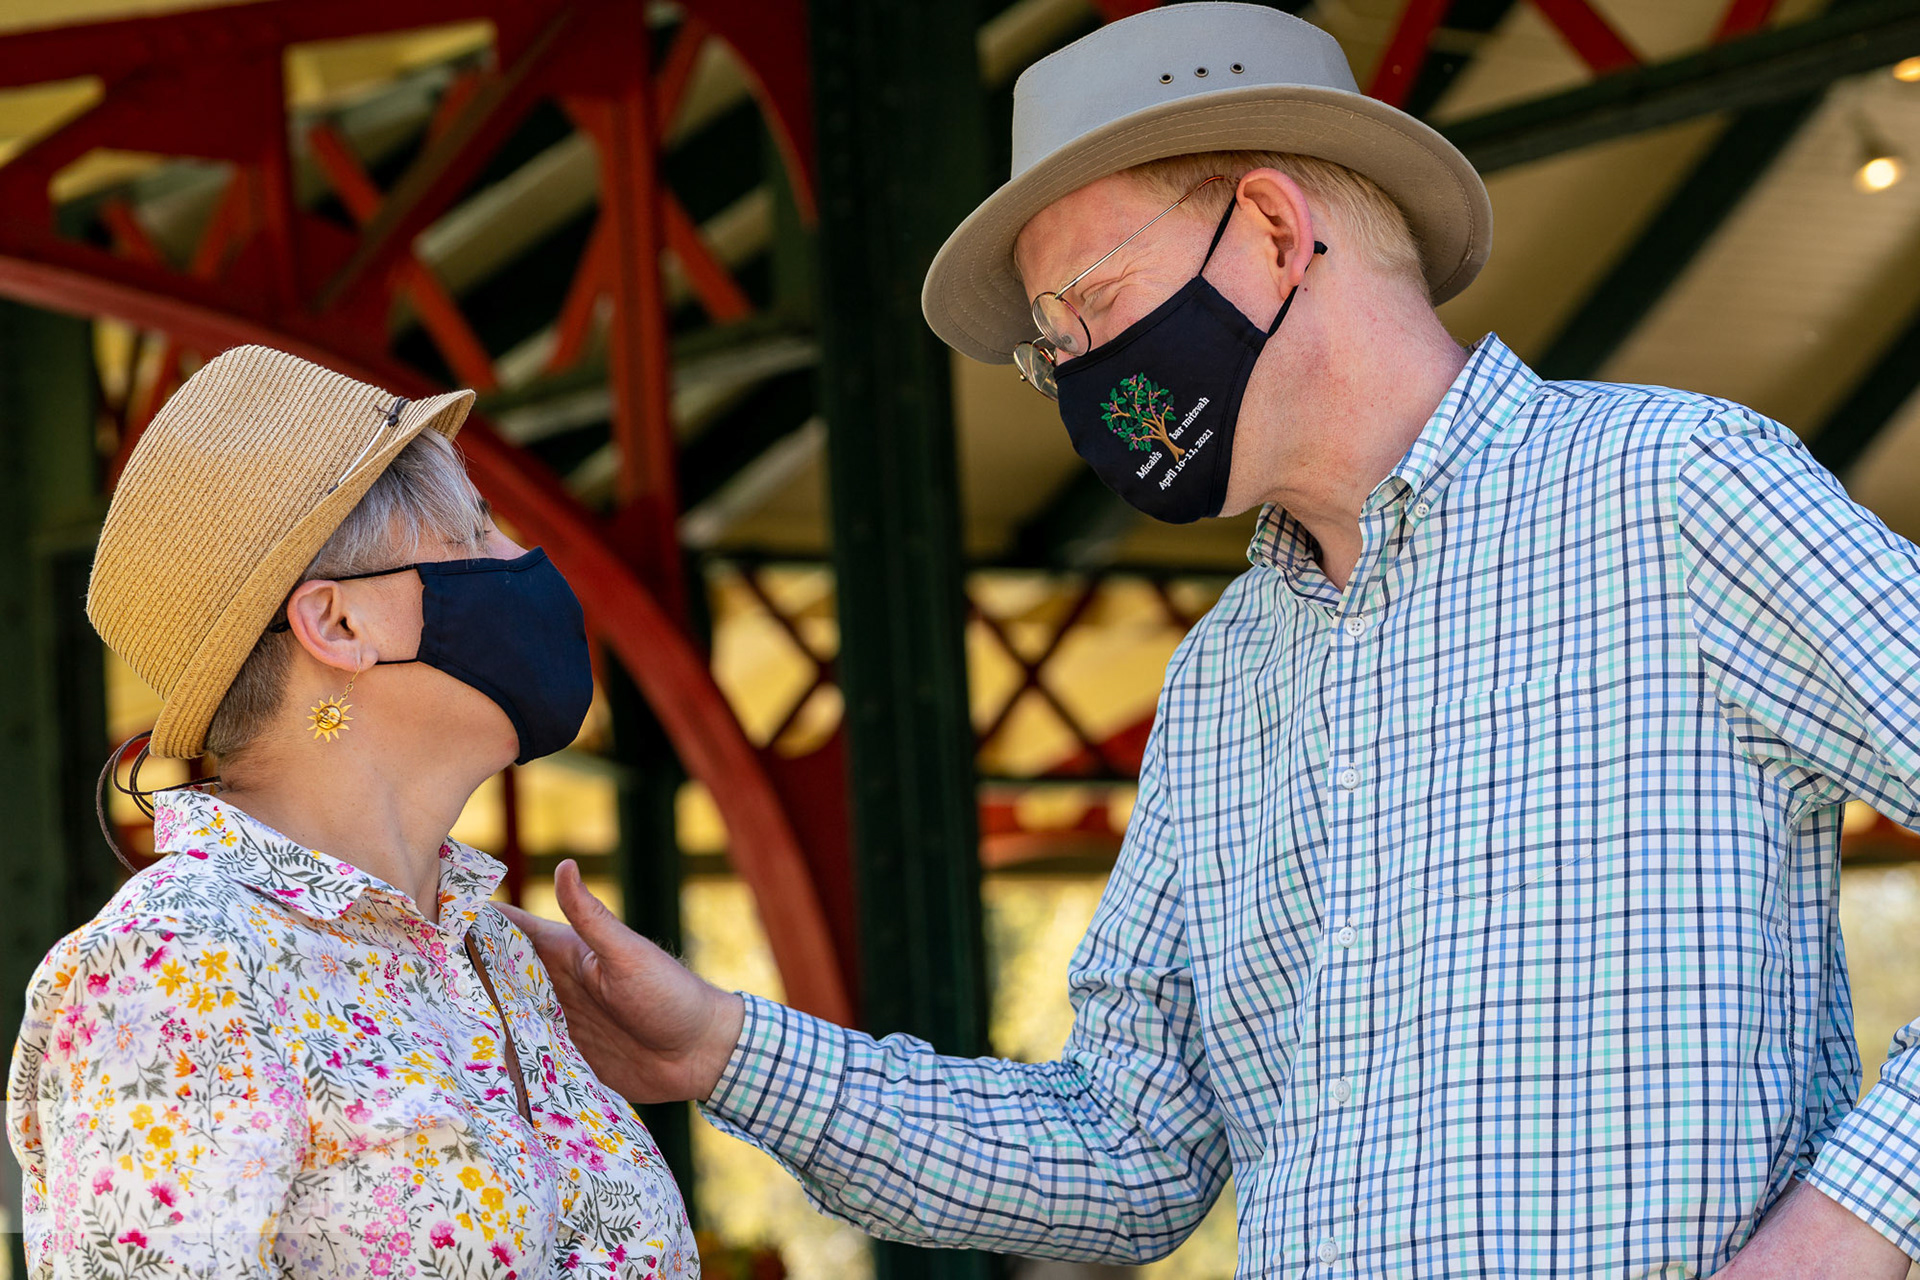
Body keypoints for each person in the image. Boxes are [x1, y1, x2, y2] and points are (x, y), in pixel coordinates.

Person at [507, 5, 1920, 1277]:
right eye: (1048, 347)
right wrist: (721, 1048)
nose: (1073, 377)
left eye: (1091, 311)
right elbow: (1130, 1152)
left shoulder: (1672, 490)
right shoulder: (1220, 679)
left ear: (1273, 228)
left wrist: (1839, 1245)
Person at [6, 347, 696, 1276]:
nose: (523, 564)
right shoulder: (176, 967)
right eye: (478, 530)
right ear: (338, 625)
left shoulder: (496, 958)